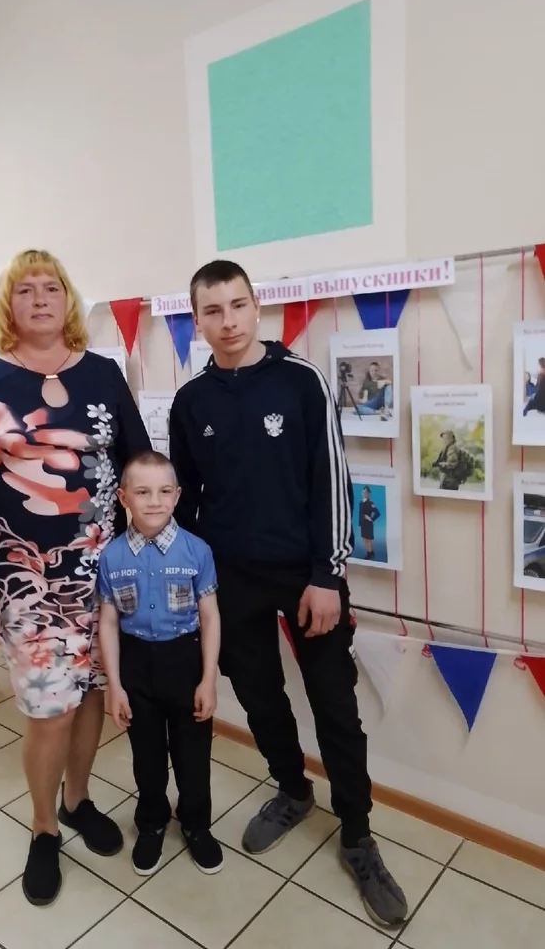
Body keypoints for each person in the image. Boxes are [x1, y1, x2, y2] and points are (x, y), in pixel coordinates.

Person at [168, 259, 408, 928]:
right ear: (197, 321)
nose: (228, 321)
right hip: (231, 579)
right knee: (259, 694)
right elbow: (187, 499)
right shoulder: (192, 403)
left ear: (257, 307)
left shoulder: (301, 382)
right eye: (212, 311)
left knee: (335, 707)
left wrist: (328, 575)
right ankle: (291, 788)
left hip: (306, 575)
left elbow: (334, 480)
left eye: (238, 305)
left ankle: (357, 835)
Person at [0, 248, 151, 906]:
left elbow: (136, 464)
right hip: (24, 579)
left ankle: (79, 798)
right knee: (48, 709)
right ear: (10, 306)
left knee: (88, 695)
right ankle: (42, 826)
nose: (39, 297)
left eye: (50, 286)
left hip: (106, 572)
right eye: (24, 289)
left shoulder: (106, 375)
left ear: (67, 299)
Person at [97, 451, 223, 876]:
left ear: (177, 495)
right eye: (143, 492)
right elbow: (109, 621)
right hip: (136, 665)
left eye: (165, 491)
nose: (155, 501)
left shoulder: (196, 550)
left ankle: (196, 825)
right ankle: (151, 822)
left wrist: (208, 679)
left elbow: (210, 616)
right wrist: (114, 685)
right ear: (123, 497)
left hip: (184, 661)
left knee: (193, 756)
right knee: (146, 756)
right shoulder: (111, 557)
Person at [358, 486, 380, 560]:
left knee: (368, 540)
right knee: (364, 539)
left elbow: (377, 513)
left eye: (366, 492)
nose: (364, 493)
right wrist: (359, 524)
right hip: (363, 524)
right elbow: (360, 514)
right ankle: (370, 552)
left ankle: (370, 554)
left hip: (368, 524)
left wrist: (371, 519)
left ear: (368, 494)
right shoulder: (360, 503)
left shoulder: (371, 503)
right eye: (363, 492)